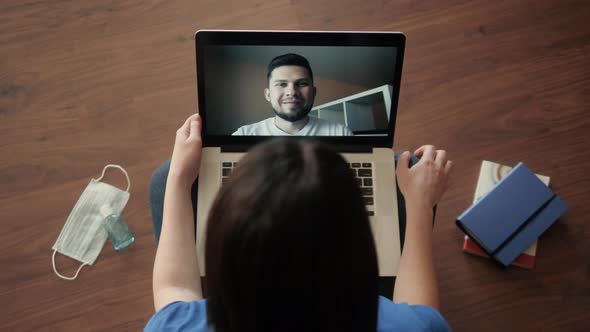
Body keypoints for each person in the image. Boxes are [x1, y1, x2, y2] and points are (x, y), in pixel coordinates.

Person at [145, 113, 453, 331]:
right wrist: (420, 205)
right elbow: (421, 314)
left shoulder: (176, 328)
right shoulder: (412, 327)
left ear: (223, 257)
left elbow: (173, 288)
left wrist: (179, 179)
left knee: (164, 175)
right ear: (359, 249)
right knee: (409, 164)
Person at [232, 53, 354, 136]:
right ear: (268, 95)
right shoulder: (244, 134)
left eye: (301, 84)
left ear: (314, 92)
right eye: (282, 84)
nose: (292, 92)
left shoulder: (340, 133)